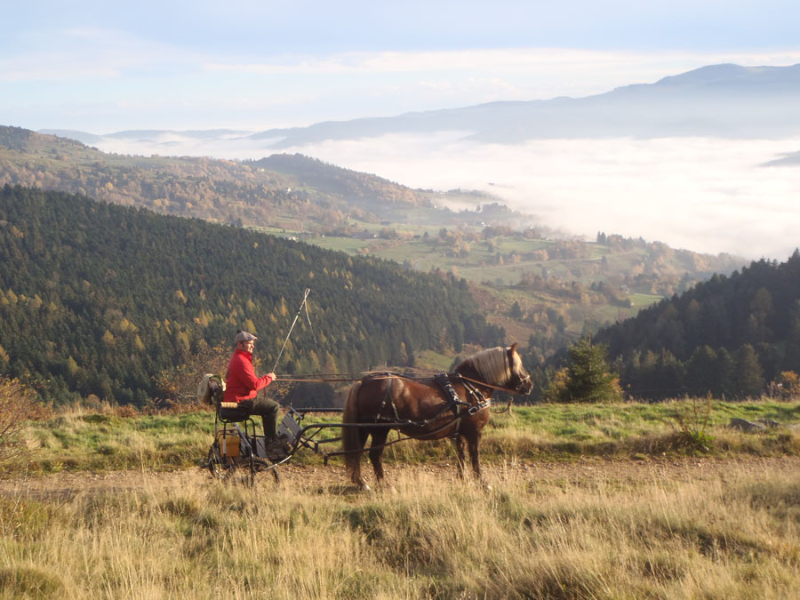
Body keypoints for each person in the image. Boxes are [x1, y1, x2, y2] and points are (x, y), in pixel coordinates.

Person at [224, 330, 287, 458]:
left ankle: (271, 437)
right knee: (273, 406)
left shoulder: (239, 358)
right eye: (250, 344)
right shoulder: (241, 361)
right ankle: (271, 442)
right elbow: (255, 385)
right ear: (240, 344)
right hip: (240, 401)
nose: (252, 346)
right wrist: (269, 378)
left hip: (239, 398)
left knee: (266, 405)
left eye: (253, 343)